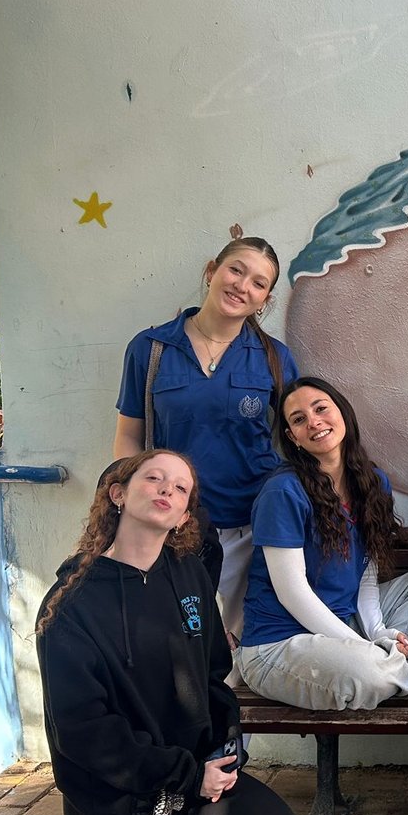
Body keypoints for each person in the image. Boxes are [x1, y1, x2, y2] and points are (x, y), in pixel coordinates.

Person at [36, 450, 297, 815]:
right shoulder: (71, 603)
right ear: (118, 494)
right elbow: (83, 732)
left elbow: (213, 674)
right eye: (153, 478)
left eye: (181, 489)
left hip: (189, 784)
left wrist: (222, 753)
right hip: (118, 804)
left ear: (183, 515)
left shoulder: (188, 575)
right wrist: (186, 776)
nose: (167, 491)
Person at [114, 237, 299, 640]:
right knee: (176, 644)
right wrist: (133, 510)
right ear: (212, 271)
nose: (242, 286)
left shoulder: (274, 357)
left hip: (251, 528)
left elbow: (300, 434)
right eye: (236, 270)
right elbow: (129, 438)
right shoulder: (151, 349)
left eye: (258, 283)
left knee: (240, 649)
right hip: (174, 525)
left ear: (265, 300)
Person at [235, 378, 408, 710]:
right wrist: (362, 647)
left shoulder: (372, 482)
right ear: (292, 437)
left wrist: (377, 632)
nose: (314, 422)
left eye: (321, 408)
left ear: (342, 412)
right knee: (370, 674)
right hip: (279, 644)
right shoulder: (283, 492)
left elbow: (365, 575)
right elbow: (292, 593)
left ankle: (390, 659)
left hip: (345, 623)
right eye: (299, 419)